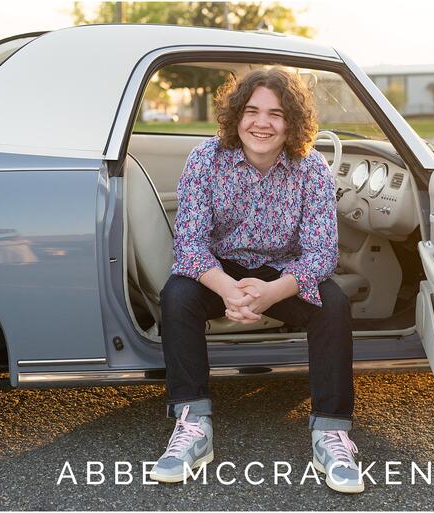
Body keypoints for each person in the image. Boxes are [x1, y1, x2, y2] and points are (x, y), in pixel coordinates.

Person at [148, 68, 364, 493]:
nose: (261, 123)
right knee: (176, 296)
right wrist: (230, 290)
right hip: (219, 270)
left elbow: (321, 254)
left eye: (276, 114)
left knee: (333, 305)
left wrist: (272, 292)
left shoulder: (311, 167)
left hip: (282, 274)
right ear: (236, 116)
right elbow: (189, 246)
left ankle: (332, 433)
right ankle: (193, 425)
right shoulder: (205, 159)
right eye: (252, 111)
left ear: (292, 123)